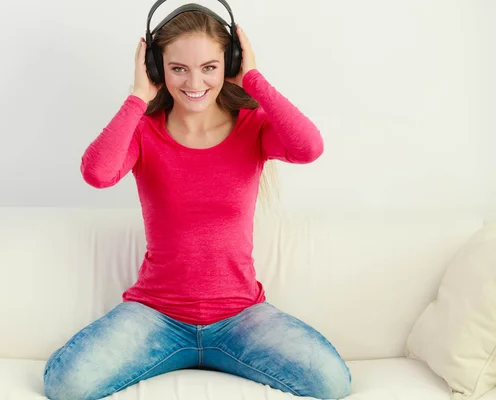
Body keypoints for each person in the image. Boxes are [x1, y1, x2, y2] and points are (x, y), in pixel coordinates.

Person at [43, 3, 351, 400]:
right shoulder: (145, 132)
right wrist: (138, 96)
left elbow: (309, 147)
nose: (194, 82)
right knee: (65, 385)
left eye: (209, 67)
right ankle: (183, 352)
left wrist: (253, 78)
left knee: (332, 382)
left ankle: (211, 353)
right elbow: (97, 173)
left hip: (241, 318)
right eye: (177, 68)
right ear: (157, 68)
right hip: (156, 316)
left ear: (230, 63)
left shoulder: (252, 128)